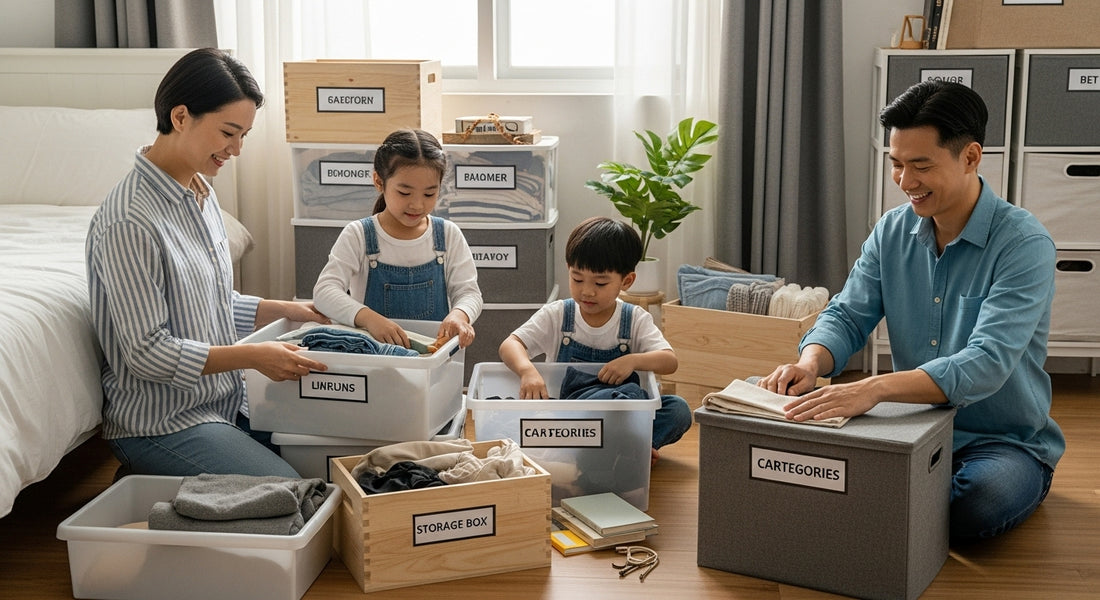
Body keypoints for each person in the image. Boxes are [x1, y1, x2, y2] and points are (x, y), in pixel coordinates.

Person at [757, 80, 1065, 543]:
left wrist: (876, 388)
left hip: (1000, 440)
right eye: (897, 165)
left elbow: (987, 362)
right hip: (910, 426)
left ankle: (902, 495)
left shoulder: (1024, 245)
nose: (905, 182)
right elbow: (848, 312)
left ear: (970, 157)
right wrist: (810, 362)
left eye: (921, 166)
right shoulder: (892, 230)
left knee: (977, 506)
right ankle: (899, 495)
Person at [87, 48, 331, 479]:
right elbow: (148, 354)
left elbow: (209, 302)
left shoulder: (201, 191)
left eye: (244, 136)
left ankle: (180, 484)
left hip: (224, 402)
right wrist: (252, 356)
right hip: (161, 423)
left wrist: (286, 310)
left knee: (331, 464)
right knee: (290, 492)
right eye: (228, 133)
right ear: (180, 117)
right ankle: (150, 486)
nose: (235, 150)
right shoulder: (129, 222)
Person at [499, 216, 693, 465]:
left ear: (626, 281)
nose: (587, 291)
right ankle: (624, 450)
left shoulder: (634, 318)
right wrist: (527, 370)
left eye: (600, 283)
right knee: (611, 405)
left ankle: (622, 447)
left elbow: (670, 361)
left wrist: (632, 361)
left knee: (677, 409)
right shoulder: (558, 314)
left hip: (623, 412)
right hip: (572, 415)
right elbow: (510, 345)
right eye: (577, 279)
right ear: (568, 268)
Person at [313, 129, 482, 349]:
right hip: (375, 355)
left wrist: (460, 315)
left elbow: (469, 293)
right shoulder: (359, 235)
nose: (417, 205)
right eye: (404, 192)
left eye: (429, 194)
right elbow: (325, 292)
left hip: (433, 360)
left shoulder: (448, 235)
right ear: (378, 181)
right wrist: (370, 319)